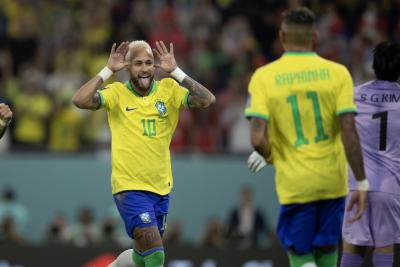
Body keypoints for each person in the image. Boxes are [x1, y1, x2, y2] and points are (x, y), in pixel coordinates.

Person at [72, 40, 215, 267]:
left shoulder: (168, 90)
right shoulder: (117, 93)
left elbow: (207, 100)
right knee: (156, 254)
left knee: (143, 255)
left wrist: (176, 72)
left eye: (149, 62)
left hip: (160, 187)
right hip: (129, 187)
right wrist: (108, 70)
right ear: (128, 66)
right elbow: (80, 100)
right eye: (138, 63)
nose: (145, 68)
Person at [245, 7, 368, 267]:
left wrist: (271, 157)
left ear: (282, 37)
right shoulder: (339, 73)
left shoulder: (265, 77)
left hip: (296, 182)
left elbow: (257, 139)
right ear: (315, 38)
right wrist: (362, 181)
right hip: (333, 181)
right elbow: (349, 130)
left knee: (300, 252)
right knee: (326, 247)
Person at [340, 42, 400, 267]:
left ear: (373, 67)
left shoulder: (354, 95)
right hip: (390, 187)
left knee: (352, 248)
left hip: (357, 184)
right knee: (384, 248)